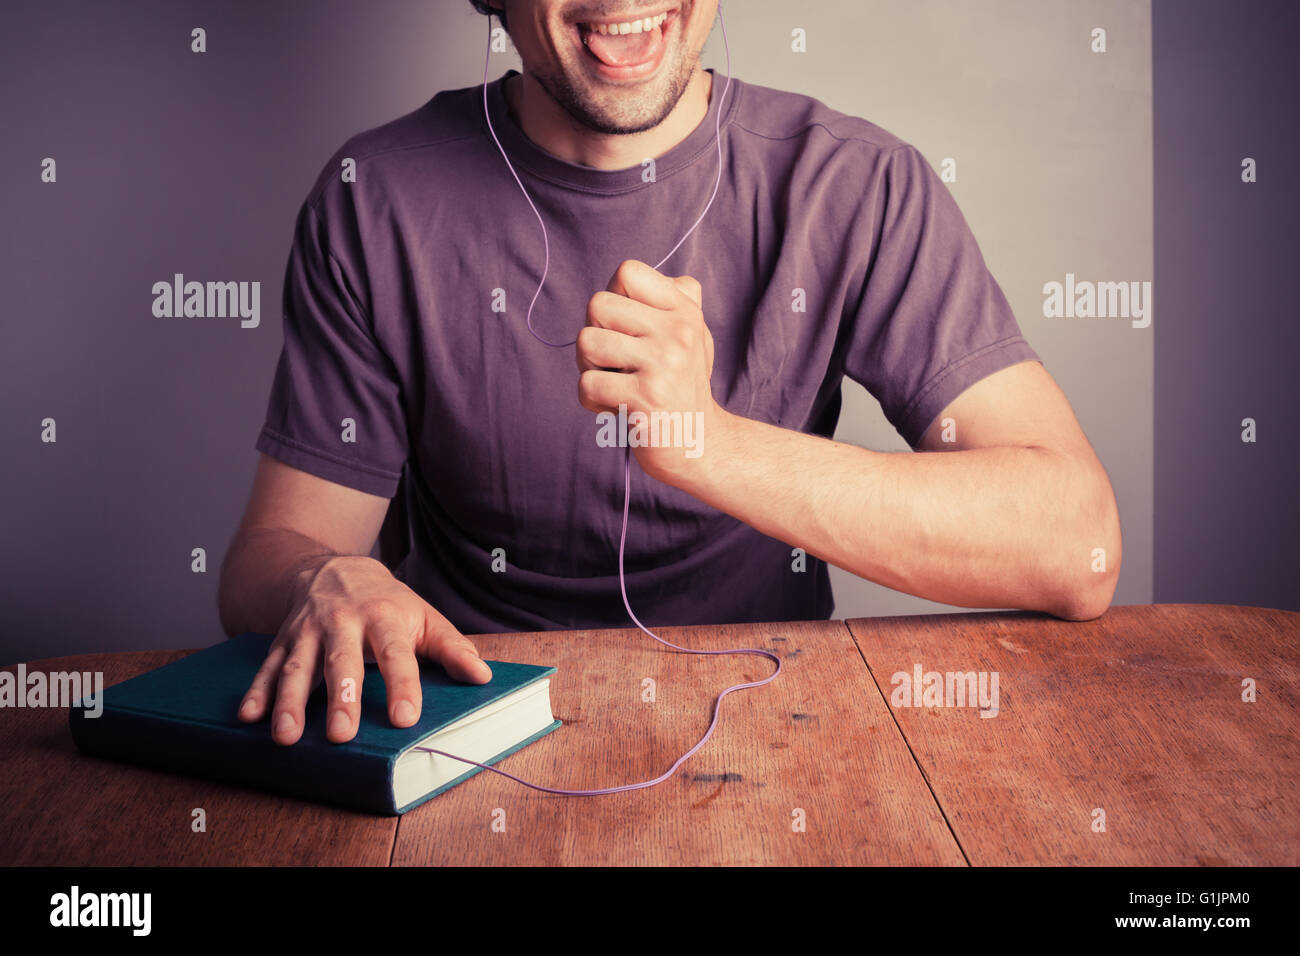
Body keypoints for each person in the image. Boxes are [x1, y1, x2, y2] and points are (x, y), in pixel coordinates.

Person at [219, 0, 1121, 747]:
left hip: (775, 731)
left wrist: (710, 443)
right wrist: (320, 580)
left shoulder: (855, 183)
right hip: (460, 734)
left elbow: (1075, 545)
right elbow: (268, 559)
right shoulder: (373, 196)